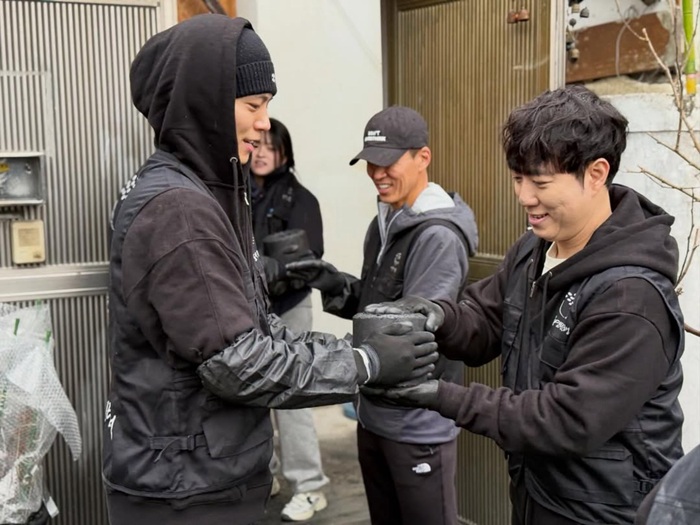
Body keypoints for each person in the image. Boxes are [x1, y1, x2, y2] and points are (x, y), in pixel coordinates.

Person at [104, 15, 439, 525]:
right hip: (186, 488)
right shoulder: (180, 208)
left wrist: (350, 351)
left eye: (267, 106)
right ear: (206, 104)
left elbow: (256, 329)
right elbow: (235, 361)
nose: (265, 123)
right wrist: (364, 363)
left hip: (197, 473)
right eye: (253, 105)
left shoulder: (206, 190)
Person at [364, 85, 686, 525]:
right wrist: (436, 316)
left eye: (540, 182)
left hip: (605, 510)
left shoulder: (631, 296)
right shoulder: (535, 249)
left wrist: (443, 396)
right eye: (518, 179)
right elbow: (484, 318)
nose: (525, 197)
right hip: (536, 490)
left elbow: (567, 419)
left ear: (596, 173)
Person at [287, 105, 478, 525]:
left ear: (422, 157)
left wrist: (333, 362)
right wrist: (332, 283)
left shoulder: (438, 235)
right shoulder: (384, 221)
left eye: (388, 162)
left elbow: (413, 333)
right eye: (370, 163)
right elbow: (378, 306)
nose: (377, 173)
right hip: (373, 414)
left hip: (416, 422)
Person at [250, 118, 330, 522]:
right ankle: (269, 474)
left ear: (285, 152)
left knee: (292, 399)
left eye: (271, 146)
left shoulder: (301, 199)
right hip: (249, 309)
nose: (261, 153)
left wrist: (271, 272)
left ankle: (310, 486)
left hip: (290, 308)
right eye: (257, 145)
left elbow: (310, 258)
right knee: (252, 395)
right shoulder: (238, 194)